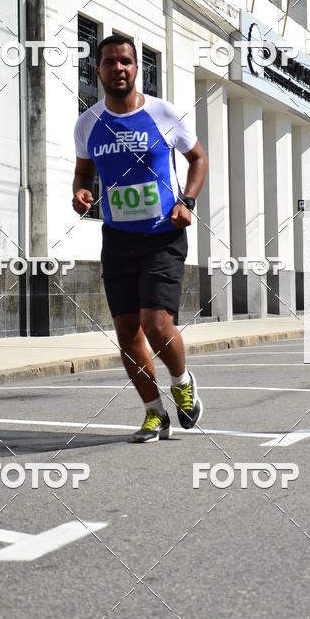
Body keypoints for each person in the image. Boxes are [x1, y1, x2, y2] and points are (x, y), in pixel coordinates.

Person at [72, 35, 208, 442]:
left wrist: (188, 201)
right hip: (117, 239)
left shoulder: (163, 114)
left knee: (156, 322)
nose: (119, 68)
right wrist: (80, 191)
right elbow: (84, 173)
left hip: (163, 235)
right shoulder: (88, 123)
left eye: (126, 62)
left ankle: (182, 382)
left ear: (136, 69)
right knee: (128, 333)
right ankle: (153, 413)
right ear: (98, 71)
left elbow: (198, 158)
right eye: (110, 62)